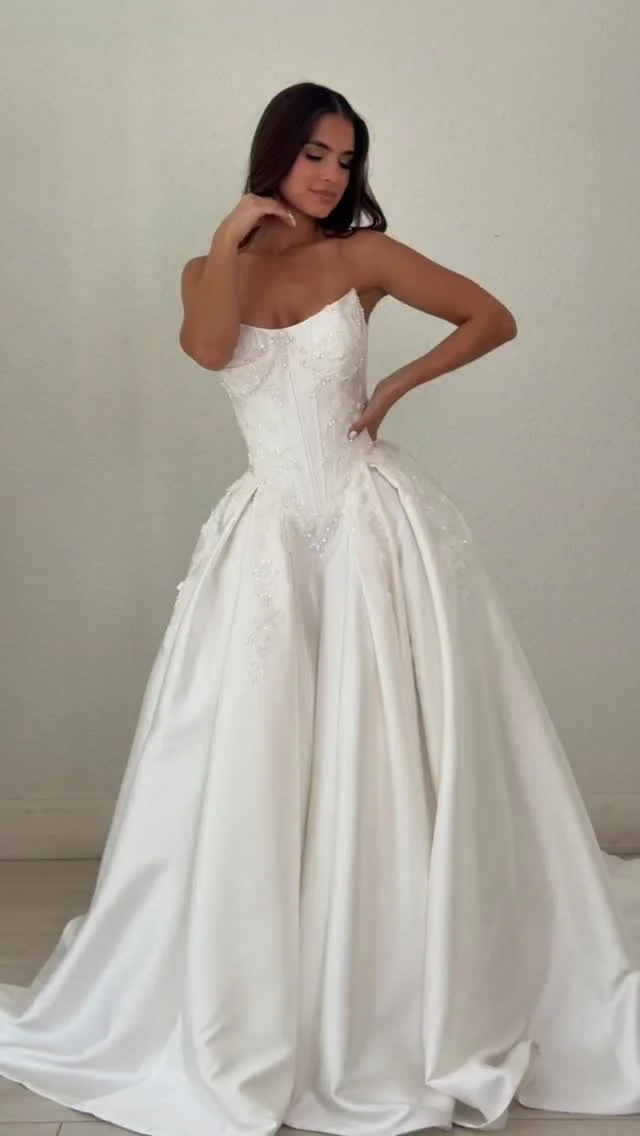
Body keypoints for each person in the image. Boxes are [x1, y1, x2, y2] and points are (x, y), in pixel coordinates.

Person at [1, 79, 639, 1136]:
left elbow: (493, 315)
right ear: (277, 153)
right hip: (267, 542)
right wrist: (227, 236)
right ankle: (264, 980)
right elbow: (209, 350)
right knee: (257, 748)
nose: (333, 176)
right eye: (315, 155)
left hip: (369, 526)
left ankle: (396, 972)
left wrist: (395, 388)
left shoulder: (364, 257)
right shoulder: (209, 270)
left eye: (346, 159)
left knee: (386, 739)